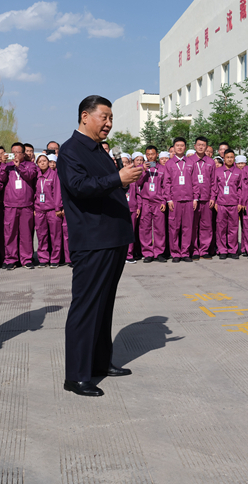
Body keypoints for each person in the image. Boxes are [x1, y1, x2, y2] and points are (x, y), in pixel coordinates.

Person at [59, 95, 143, 397]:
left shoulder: (99, 150)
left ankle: (99, 361)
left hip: (113, 237)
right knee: (86, 306)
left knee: (104, 304)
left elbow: (105, 184)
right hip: (93, 240)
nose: (108, 123)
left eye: (111, 118)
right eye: (103, 117)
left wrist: (122, 179)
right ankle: (77, 375)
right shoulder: (71, 151)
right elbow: (79, 188)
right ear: (85, 116)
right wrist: (117, 178)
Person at [0, 142, 39, 270]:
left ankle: (26, 259)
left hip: (26, 205)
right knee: (10, 233)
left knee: (26, 234)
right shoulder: (7, 166)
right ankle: (11, 259)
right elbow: (1, 179)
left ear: (23, 154)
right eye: (13, 152)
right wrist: (2, 164)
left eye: (18, 152)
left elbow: (30, 176)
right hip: (10, 205)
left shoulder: (30, 165)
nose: (15, 155)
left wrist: (19, 167)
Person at [162, 137, 197, 262]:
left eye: (182, 145)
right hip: (174, 200)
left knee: (187, 227)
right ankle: (176, 253)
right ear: (173, 148)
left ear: (185, 147)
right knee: (174, 227)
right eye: (177, 145)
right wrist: (168, 199)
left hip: (188, 199)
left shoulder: (191, 162)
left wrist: (195, 198)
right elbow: (166, 183)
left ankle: (185, 253)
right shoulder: (169, 164)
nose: (180, 147)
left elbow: (195, 182)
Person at [34, 152, 63, 268]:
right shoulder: (36, 175)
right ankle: (43, 258)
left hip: (52, 210)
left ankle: (55, 259)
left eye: (44, 161)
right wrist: (35, 207)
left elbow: (57, 192)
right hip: (39, 210)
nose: (42, 163)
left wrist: (58, 208)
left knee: (55, 235)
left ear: (48, 162)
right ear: (37, 164)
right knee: (41, 235)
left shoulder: (54, 175)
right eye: (40, 162)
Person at [138, 145, 167, 263]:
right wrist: (143, 170)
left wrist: (164, 201)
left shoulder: (163, 169)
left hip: (158, 203)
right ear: (145, 155)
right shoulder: (141, 168)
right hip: (145, 202)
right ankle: (147, 253)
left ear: (157, 155)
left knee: (160, 229)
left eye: (153, 154)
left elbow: (166, 186)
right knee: (145, 229)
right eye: (148, 154)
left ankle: (159, 252)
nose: (150, 156)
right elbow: (137, 183)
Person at [190, 137, 216, 259]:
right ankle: (194, 250)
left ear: (206, 147)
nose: (201, 147)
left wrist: (213, 197)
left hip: (206, 198)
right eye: (199, 145)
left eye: (203, 145)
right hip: (192, 199)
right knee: (193, 225)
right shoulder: (189, 161)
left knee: (206, 225)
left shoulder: (210, 162)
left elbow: (213, 181)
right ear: (195, 146)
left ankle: (204, 249)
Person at [213, 149, 242, 259]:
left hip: (234, 204)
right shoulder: (218, 171)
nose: (229, 159)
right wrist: (215, 201)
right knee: (221, 228)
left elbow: (240, 188)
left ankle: (232, 250)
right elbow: (215, 188)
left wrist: (240, 202)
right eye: (227, 157)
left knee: (233, 228)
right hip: (221, 204)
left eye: (231, 157)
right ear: (224, 158)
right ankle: (222, 250)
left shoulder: (238, 172)